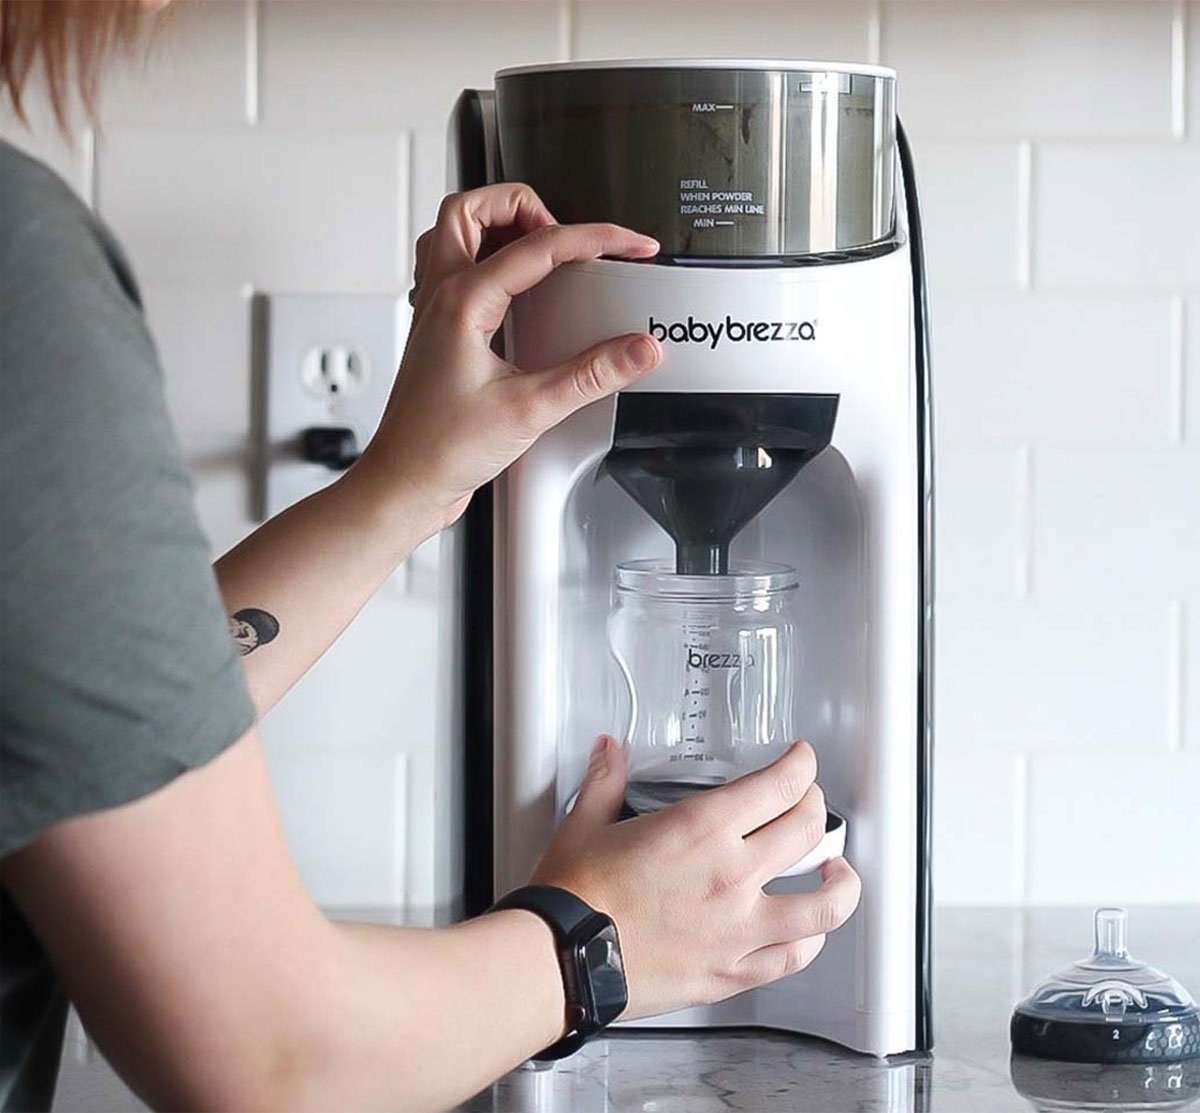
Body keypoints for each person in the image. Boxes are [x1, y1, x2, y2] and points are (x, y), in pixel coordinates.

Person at [0, 3, 862, 1110]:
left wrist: (409, 482)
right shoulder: (19, 279)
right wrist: (593, 948)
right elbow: (272, 1060)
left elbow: (80, 723)